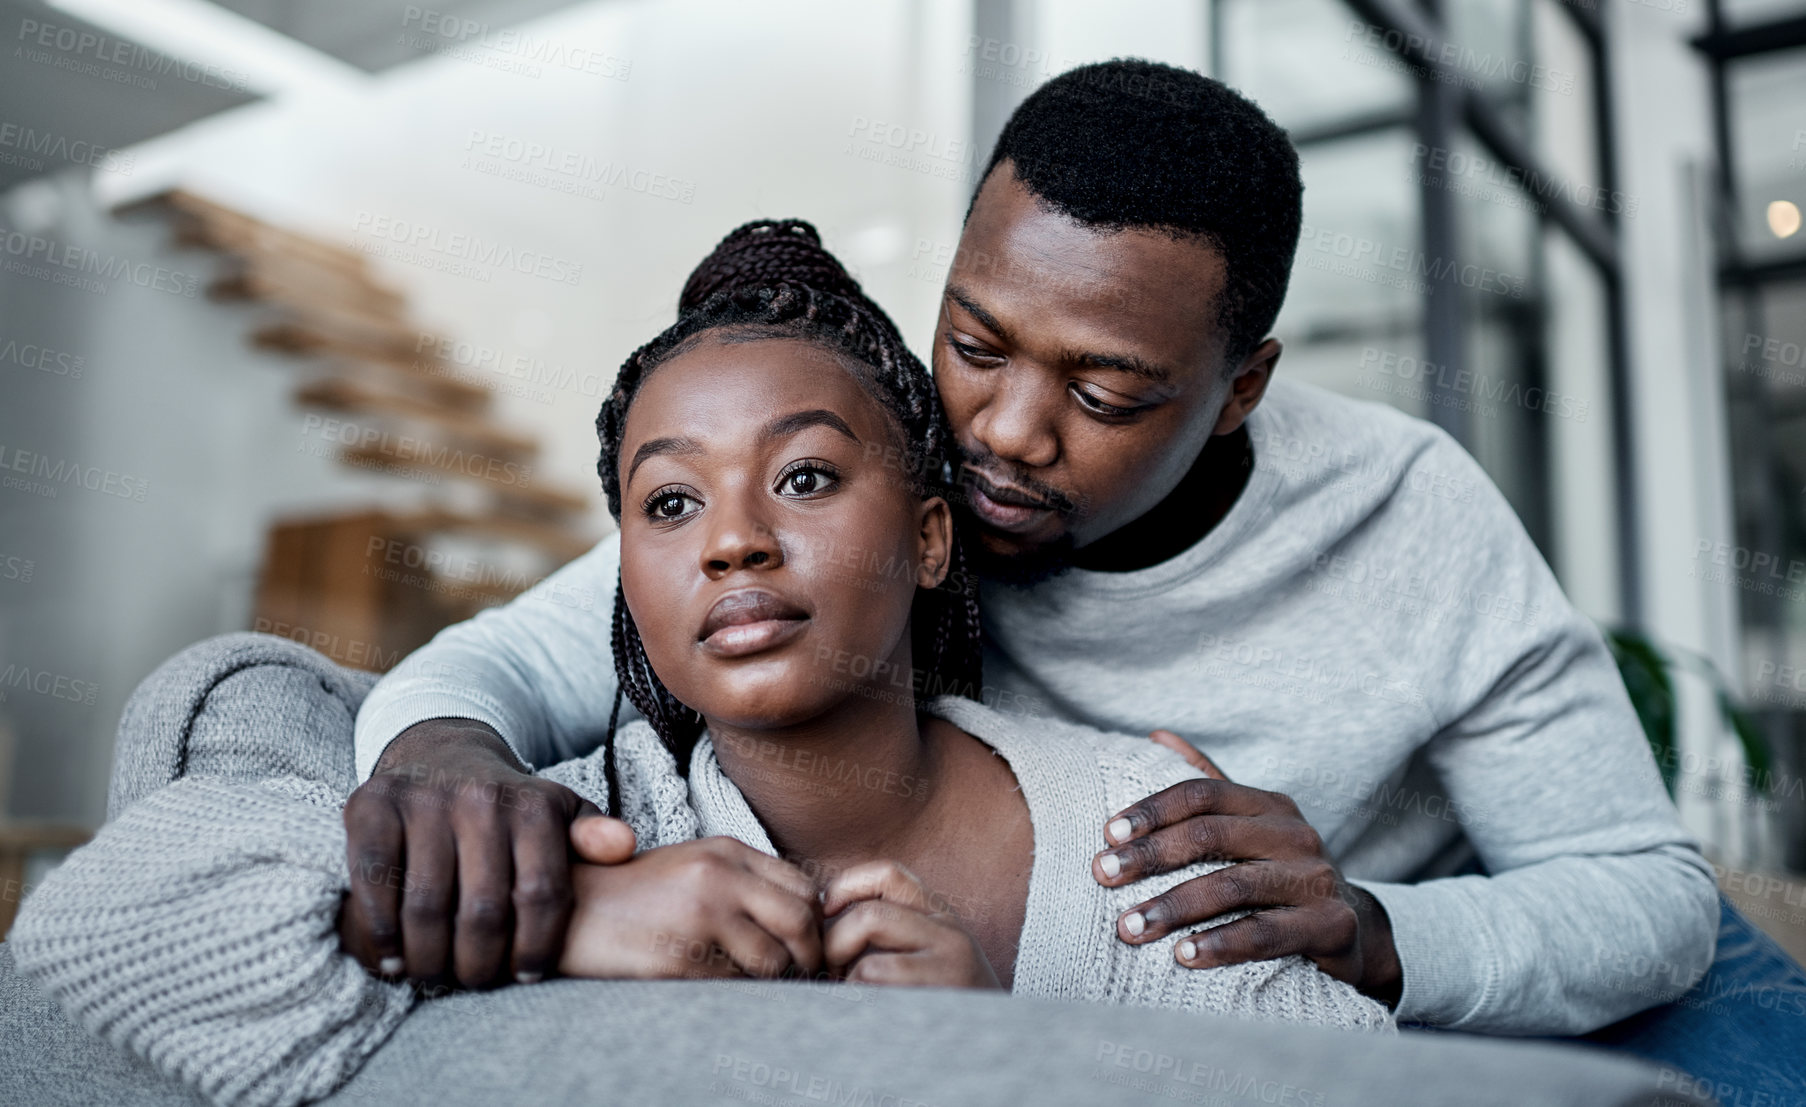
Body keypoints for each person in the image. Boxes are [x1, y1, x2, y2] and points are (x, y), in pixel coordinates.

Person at [347, 59, 1805, 1094]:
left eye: (1106, 394)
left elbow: (1642, 894)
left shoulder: (1407, 516)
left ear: (1241, 390)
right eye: (975, 342)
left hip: (1428, 962)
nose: (1002, 431)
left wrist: (1367, 927)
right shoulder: (874, 471)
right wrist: (442, 760)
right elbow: (512, 660)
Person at [9, 224, 1390, 1107]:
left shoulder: (1135, 833)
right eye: (668, 504)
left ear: (925, 538)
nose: (731, 540)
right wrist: (562, 921)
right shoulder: (593, 824)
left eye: (800, 476)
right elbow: (89, 934)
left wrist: (998, 1061)